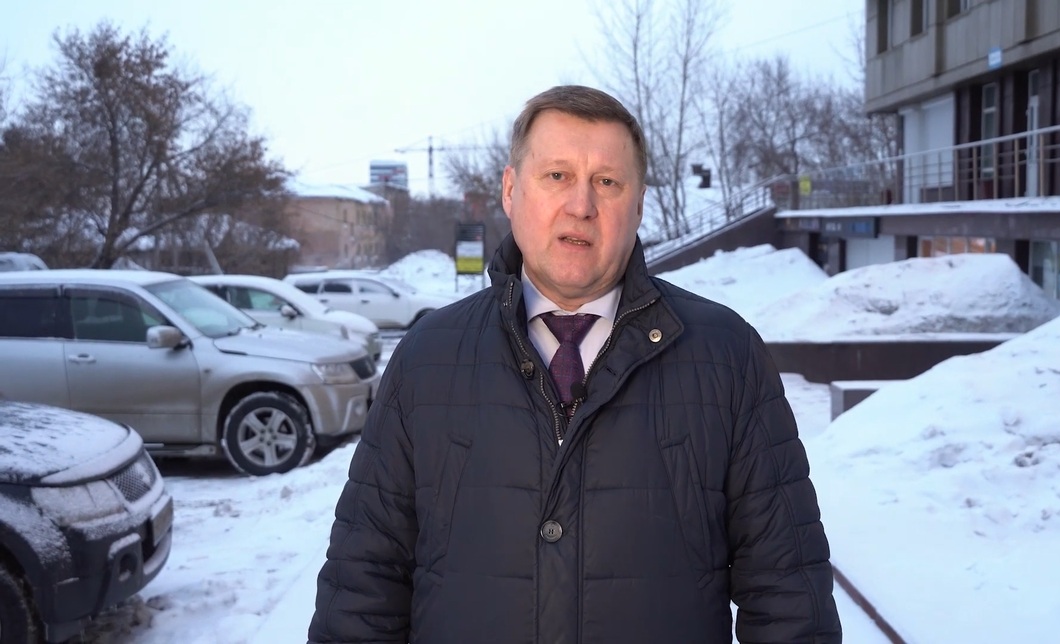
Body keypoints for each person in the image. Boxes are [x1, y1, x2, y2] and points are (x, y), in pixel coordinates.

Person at [308, 85, 842, 643]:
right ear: (511, 190)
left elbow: (788, 597)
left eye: (607, 182)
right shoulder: (428, 358)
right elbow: (363, 587)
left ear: (638, 204)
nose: (581, 205)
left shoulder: (726, 356)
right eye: (557, 175)